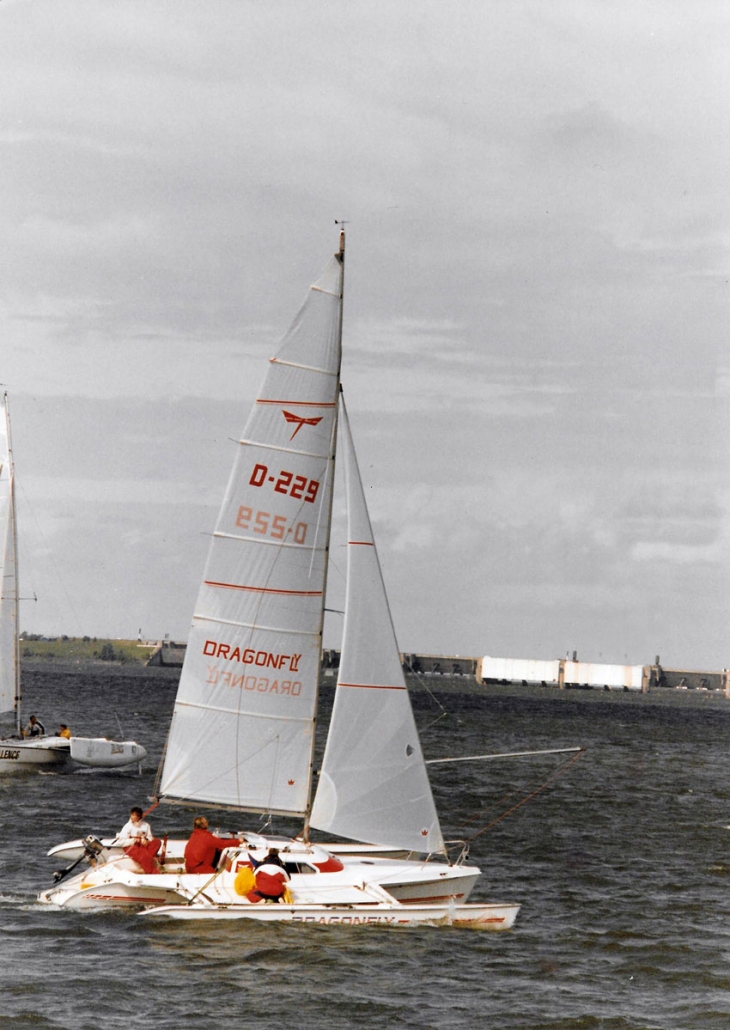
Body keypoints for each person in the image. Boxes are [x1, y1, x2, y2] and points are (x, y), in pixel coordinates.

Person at [117, 806, 162, 875]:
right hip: (132, 846)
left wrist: (147, 840)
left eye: (134, 815)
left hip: (143, 846)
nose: (132, 817)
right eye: (131, 815)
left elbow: (150, 837)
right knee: (144, 856)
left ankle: (146, 858)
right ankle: (153, 872)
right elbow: (121, 842)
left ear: (139, 817)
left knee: (157, 842)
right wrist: (134, 840)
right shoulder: (127, 827)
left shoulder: (146, 825)